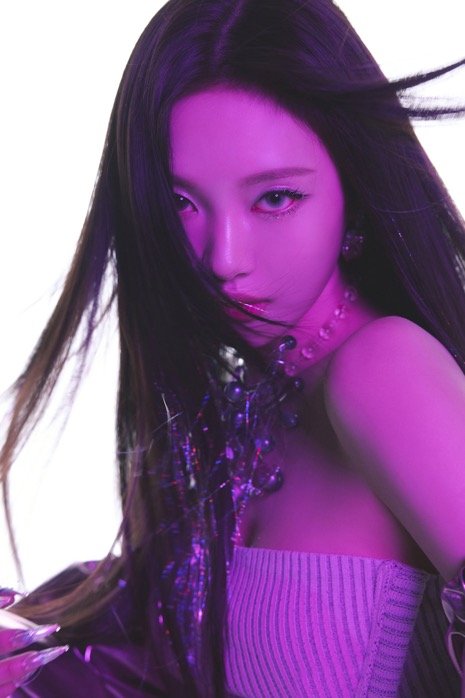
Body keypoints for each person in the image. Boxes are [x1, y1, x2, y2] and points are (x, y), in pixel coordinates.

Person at [1, 0, 465, 695]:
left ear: (357, 193)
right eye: (181, 203)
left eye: (275, 198)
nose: (223, 259)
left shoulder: (382, 369)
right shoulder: (256, 403)